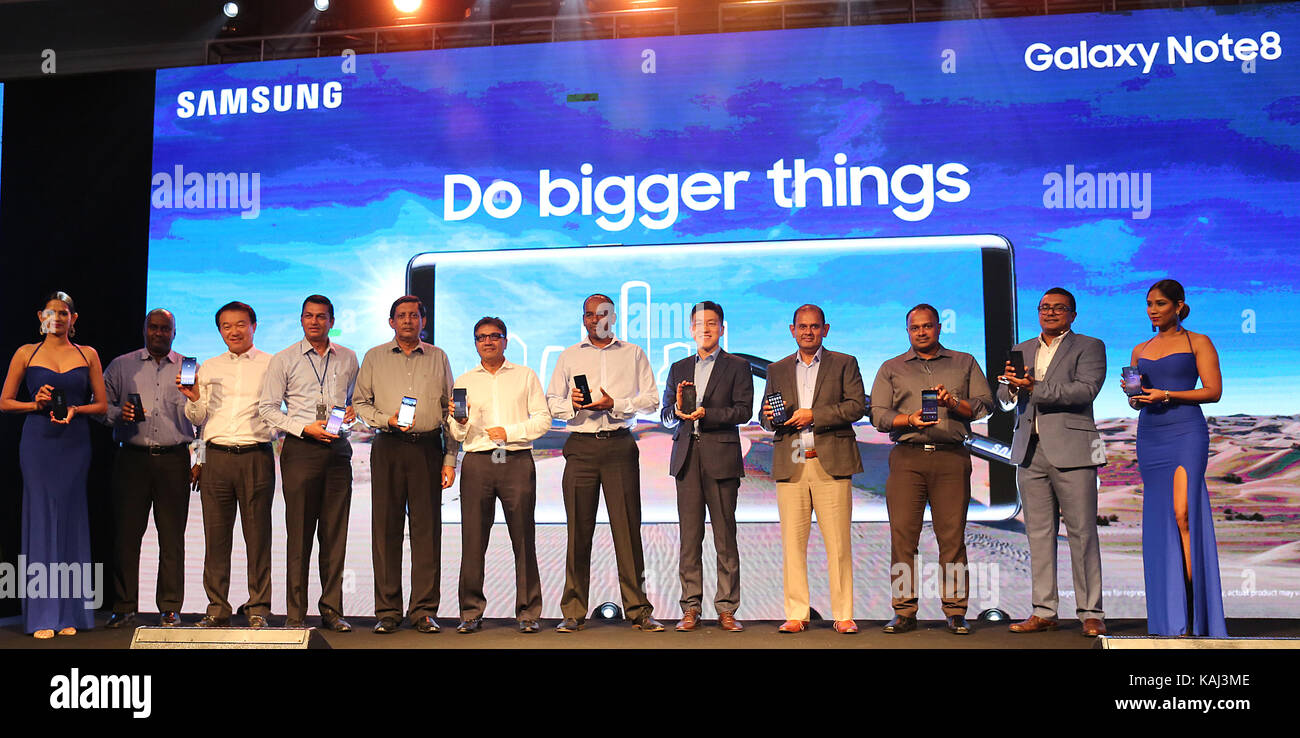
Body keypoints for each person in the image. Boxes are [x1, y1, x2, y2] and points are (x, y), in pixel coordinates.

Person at [869, 303, 992, 635]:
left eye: (927, 326)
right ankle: (904, 610)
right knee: (903, 538)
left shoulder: (963, 362)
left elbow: (985, 404)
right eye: (914, 327)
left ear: (939, 327)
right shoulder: (891, 367)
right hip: (907, 458)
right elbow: (878, 415)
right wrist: (908, 419)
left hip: (951, 458)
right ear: (907, 331)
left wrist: (953, 404)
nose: (921, 332)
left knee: (951, 538)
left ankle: (955, 611)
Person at [546, 293, 663, 633]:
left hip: (619, 447)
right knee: (577, 533)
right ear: (584, 319)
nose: (596, 319)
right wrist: (574, 407)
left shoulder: (633, 353)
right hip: (581, 448)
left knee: (627, 532)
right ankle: (573, 611)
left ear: (613, 317)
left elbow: (651, 400)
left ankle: (639, 611)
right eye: (590, 315)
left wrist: (617, 404)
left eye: (603, 314)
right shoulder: (569, 356)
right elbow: (553, 401)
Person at [998, 288, 1108, 637]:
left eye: (1059, 308)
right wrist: (1012, 388)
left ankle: (1091, 612)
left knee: (1082, 533)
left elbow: (1085, 391)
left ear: (1072, 315)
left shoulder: (1090, 346)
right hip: (1030, 450)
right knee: (1039, 534)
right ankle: (1044, 610)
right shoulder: (1022, 349)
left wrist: (1034, 386)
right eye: (1045, 307)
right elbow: (1003, 398)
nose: (1050, 313)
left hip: (1073, 448)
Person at [1, 291, 108, 639]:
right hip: (38, 444)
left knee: (72, 519)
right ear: (40, 316)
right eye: (52, 312)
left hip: (74, 444)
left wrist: (77, 409)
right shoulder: (25, 353)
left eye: (64, 313)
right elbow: (4, 403)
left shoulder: (87, 354)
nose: (58, 318)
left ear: (73, 319)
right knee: (41, 519)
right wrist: (34, 404)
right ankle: (43, 614)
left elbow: (102, 405)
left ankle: (71, 612)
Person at [354, 295, 459, 634]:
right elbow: (360, 405)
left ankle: (424, 610)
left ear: (423, 321)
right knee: (385, 531)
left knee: (427, 533)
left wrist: (449, 458)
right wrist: (387, 419)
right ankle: (387, 611)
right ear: (391, 322)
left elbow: (450, 412)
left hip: (428, 449)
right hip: (388, 447)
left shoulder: (438, 357)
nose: (408, 321)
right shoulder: (374, 357)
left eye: (414, 315)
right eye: (401, 316)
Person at [1127, 279, 1226, 637]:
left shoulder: (1198, 341)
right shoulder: (1140, 349)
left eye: (1160, 304)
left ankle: (1194, 613)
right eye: (1149, 304)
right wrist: (1135, 396)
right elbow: (1137, 397)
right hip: (1150, 434)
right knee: (1159, 520)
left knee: (1184, 514)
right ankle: (1169, 618)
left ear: (1179, 306)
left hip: (1186, 432)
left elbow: (1213, 391)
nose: (1153, 310)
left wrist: (1167, 394)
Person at [759, 304, 866, 635]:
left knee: (838, 544)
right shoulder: (776, 369)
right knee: (792, 543)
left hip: (830, 462)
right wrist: (769, 416)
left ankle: (843, 614)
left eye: (815, 326)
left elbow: (856, 406)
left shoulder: (844, 363)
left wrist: (814, 415)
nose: (808, 332)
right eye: (802, 327)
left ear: (826, 329)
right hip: (791, 462)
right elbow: (764, 418)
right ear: (792, 330)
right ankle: (796, 613)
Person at [257, 295, 359, 632]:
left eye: (321, 317)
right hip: (301, 448)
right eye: (308, 316)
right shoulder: (284, 359)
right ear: (301, 320)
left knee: (335, 535)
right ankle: (295, 614)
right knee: (299, 534)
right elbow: (269, 408)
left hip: (338, 450)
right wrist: (303, 427)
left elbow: (355, 402)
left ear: (332, 320)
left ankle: (331, 610)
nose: (314, 322)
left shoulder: (347, 357)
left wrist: (352, 415)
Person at [447, 317, 551, 634]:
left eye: (495, 336)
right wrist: (460, 421)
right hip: (478, 462)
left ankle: (528, 612)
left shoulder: (525, 376)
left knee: (523, 538)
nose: (488, 342)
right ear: (475, 343)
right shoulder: (465, 380)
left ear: (505, 340)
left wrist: (510, 431)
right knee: (473, 541)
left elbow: (543, 420)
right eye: (481, 337)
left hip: (515, 459)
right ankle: (470, 612)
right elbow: (455, 431)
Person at [178, 301, 275, 628]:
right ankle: (217, 608)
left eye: (240, 324)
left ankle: (259, 607)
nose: (234, 331)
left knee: (258, 538)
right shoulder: (209, 367)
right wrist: (192, 399)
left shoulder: (272, 364)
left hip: (256, 456)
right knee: (215, 539)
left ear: (253, 326)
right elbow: (199, 420)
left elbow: (284, 409)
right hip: (216, 458)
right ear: (220, 330)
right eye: (226, 326)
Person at [659, 301, 753, 632]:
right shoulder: (678, 368)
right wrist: (678, 408)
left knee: (725, 537)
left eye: (712, 323)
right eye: (699, 324)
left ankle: (727, 608)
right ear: (690, 330)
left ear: (722, 328)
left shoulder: (738, 366)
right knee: (689, 538)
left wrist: (707, 415)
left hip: (722, 458)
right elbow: (666, 416)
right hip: (687, 459)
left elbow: (744, 411)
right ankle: (690, 608)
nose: (706, 329)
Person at [99, 308, 195, 629]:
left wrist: (203, 460)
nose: (158, 333)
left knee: (171, 538)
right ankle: (124, 607)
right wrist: (117, 414)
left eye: (165, 328)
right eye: (153, 327)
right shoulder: (120, 365)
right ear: (144, 329)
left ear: (174, 332)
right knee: (127, 537)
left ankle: (169, 608)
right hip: (132, 460)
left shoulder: (189, 368)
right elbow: (99, 407)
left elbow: (206, 417)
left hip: (174, 460)